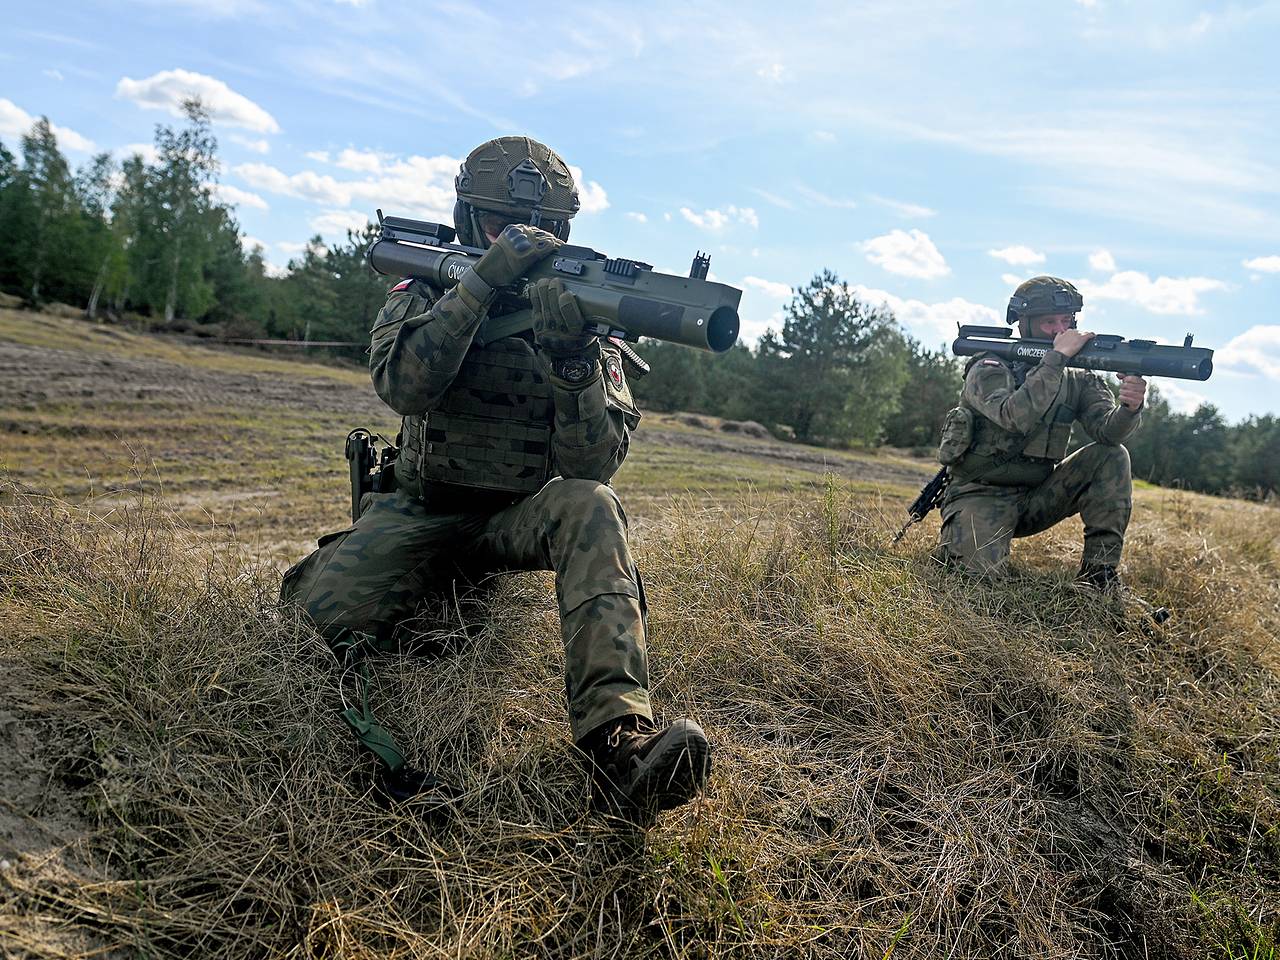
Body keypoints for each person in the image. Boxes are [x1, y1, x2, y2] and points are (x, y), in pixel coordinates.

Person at [280, 136, 710, 820]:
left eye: (543, 229)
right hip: (417, 508)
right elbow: (404, 386)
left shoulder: (584, 317)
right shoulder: (427, 286)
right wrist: (478, 287)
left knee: (592, 504)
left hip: (514, 518)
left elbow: (591, 465)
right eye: (495, 226)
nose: (521, 239)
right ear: (464, 218)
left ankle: (620, 741)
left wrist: (571, 360)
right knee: (303, 629)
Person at [934, 276, 1146, 585]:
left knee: (1112, 456)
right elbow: (1012, 416)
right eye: (1049, 322)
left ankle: (1099, 577)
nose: (1061, 330)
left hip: (1038, 497)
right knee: (974, 585)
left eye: (1067, 321)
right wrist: (1056, 360)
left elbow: (1108, 433)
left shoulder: (1078, 377)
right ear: (1024, 323)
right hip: (980, 493)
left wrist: (1130, 407)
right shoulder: (990, 367)